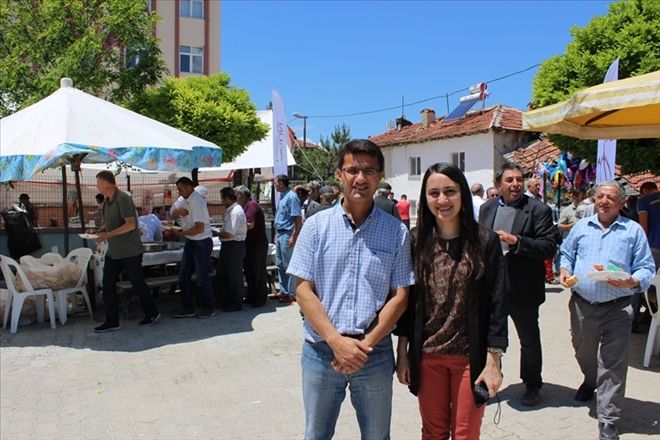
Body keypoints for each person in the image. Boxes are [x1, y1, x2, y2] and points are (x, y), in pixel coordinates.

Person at [287, 139, 414, 440]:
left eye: (369, 171)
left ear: (380, 176)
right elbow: (303, 290)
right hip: (321, 351)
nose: (360, 178)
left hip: (374, 353)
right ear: (339, 174)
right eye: (353, 170)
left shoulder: (396, 232)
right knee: (316, 435)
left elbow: (400, 297)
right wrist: (335, 341)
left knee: (377, 436)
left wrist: (364, 345)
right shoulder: (315, 227)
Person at [395, 163, 507, 440]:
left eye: (450, 191)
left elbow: (498, 303)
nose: (442, 200)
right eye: (434, 193)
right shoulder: (415, 240)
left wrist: (494, 360)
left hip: (471, 358)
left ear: (462, 194)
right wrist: (403, 353)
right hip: (427, 356)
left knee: (465, 433)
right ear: (425, 198)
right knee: (433, 433)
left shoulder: (485, 240)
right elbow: (408, 304)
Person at [559, 180, 655, 440]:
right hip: (582, 305)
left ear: (621, 202)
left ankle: (608, 419)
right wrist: (565, 270)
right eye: (600, 196)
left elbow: (646, 267)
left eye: (611, 197)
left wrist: (633, 281)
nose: (604, 201)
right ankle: (590, 380)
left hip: (618, 307)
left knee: (613, 363)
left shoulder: (633, 230)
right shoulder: (582, 226)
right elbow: (566, 254)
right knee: (583, 351)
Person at [478, 162, 556, 407]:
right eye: (509, 180)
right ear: (498, 184)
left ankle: (532, 384)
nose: (515, 184)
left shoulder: (538, 210)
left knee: (529, 340)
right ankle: (489, 382)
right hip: (492, 288)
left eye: (519, 179)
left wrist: (517, 241)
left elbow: (548, 247)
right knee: (490, 339)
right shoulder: (488, 208)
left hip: (523, 288)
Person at [93, 171, 160, 332]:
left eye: (98, 182)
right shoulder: (106, 202)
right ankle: (112, 321)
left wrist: (107, 235)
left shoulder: (122, 198)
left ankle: (152, 313)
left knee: (138, 283)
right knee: (107, 284)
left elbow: (130, 224)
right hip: (114, 252)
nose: (97, 186)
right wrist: (99, 230)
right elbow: (111, 223)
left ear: (106, 183)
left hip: (130, 251)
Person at [171, 177, 215, 318]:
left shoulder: (196, 201)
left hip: (201, 242)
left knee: (202, 278)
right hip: (191, 241)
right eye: (178, 190)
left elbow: (199, 228)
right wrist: (178, 212)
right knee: (183, 276)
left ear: (189, 187)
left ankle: (208, 308)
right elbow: (172, 212)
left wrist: (181, 233)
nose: (179, 193)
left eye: (181, 189)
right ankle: (188, 308)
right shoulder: (184, 199)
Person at [214, 187, 247, 312]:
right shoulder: (232, 210)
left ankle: (236, 302)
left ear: (227, 198)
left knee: (234, 275)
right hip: (229, 245)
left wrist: (217, 233)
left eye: (222, 198)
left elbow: (229, 234)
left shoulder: (235, 212)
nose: (221, 201)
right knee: (223, 274)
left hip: (234, 246)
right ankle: (224, 300)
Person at [235, 185, 268, 308]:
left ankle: (260, 298)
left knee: (257, 271)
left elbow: (250, 224)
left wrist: (234, 229)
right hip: (250, 244)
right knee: (249, 271)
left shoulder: (251, 205)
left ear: (241, 196)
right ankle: (251, 295)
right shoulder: (245, 206)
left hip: (257, 244)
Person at [273, 174, 302, 304]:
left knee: (289, 265)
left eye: (276, 183)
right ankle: (284, 291)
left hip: (288, 233)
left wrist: (293, 236)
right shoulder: (283, 196)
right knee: (280, 264)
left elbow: (298, 218)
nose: (274, 185)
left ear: (281, 183)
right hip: (280, 233)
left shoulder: (291, 197)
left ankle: (291, 292)